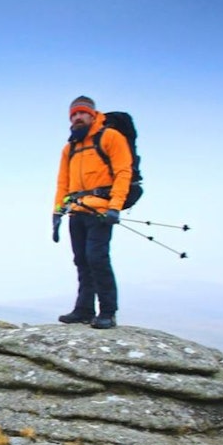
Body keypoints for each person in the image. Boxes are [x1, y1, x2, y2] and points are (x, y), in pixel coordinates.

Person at [53, 95, 133, 329]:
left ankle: (108, 311)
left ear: (92, 114)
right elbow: (62, 183)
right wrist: (56, 213)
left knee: (97, 258)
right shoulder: (70, 148)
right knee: (81, 261)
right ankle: (84, 310)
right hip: (76, 212)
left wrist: (115, 206)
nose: (77, 117)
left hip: (100, 210)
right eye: (74, 114)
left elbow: (123, 173)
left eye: (81, 113)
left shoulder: (110, 137)